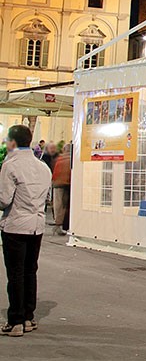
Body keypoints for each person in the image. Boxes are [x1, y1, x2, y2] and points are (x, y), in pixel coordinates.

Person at [0, 125, 53, 337]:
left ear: (12, 142)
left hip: (15, 225)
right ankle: (29, 317)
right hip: (37, 226)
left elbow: (4, 200)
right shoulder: (42, 167)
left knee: (15, 274)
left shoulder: (10, 166)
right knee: (31, 271)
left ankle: (16, 321)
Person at [50, 144, 72, 235]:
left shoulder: (59, 158)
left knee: (58, 205)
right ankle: (58, 225)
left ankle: (58, 224)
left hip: (56, 184)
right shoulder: (70, 159)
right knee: (63, 207)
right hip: (65, 184)